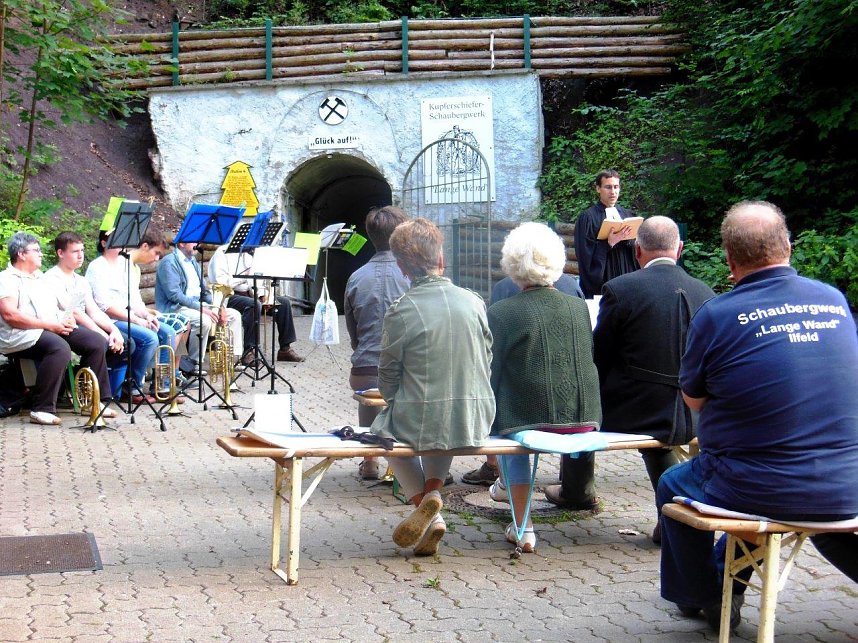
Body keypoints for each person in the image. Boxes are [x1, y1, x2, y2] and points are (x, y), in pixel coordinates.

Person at [656, 201, 858, 632]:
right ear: (788, 245)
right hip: (848, 482)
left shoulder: (717, 314)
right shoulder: (833, 300)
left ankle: (701, 596)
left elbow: (693, 402)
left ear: (729, 261)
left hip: (758, 484)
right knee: (819, 518)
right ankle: (726, 581)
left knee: (673, 484)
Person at [370, 218, 494, 556]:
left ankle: (423, 504)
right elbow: (487, 356)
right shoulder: (474, 301)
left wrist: (395, 400)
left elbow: (388, 373)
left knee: (381, 430)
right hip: (475, 416)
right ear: (440, 257)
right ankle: (434, 496)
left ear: (401, 267)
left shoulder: (402, 309)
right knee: (441, 419)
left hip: (426, 418)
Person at [592, 216, 714, 543]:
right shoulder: (706, 292)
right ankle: (675, 511)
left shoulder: (620, 289)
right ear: (680, 249)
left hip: (637, 408)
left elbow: (599, 354)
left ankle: (577, 490)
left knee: (583, 406)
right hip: (696, 411)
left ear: (637, 250)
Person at [487, 222, 601, 552]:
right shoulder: (578, 307)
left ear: (512, 265)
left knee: (509, 425)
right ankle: (506, 492)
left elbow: (490, 374)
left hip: (530, 422)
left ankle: (524, 527)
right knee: (516, 417)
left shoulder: (502, 312)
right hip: (584, 419)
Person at [461, 272, 585, 487]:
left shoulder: (503, 295)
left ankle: (502, 481)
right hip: (579, 414)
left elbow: (493, 362)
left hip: (522, 412)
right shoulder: (574, 293)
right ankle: (577, 487)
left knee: (508, 413)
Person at [0, 232, 115, 424]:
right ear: (21, 254)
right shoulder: (6, 279)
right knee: (59, 348)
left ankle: (94, 401)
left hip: (49, 327)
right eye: (36, 250)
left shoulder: (39, 277)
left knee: (96, 342)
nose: (41, 254)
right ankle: (41, 408)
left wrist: (65, 319)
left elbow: (62, 306)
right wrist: (50, 325)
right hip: (20, 335)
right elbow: (11, 316)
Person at [344, 206, 410, 480]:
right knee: (411, 382)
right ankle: (407, 463)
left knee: (368, 394)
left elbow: (354, 334)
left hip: (364, 371)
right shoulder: (411, 275)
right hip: (406, 371)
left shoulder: (356, 277)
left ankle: (369, 461)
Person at [85, 228, 182, 403]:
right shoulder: (97, 267)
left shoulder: (124, 264)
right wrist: (137, 320)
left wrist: (146, 315)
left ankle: (163, 387)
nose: (122, 245)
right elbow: (104, 306)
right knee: (149, 338)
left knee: (167, 333)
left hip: (129, 317)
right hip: (110, 320)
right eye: (116, 241)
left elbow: (134, 298)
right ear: (104, 243)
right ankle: (132, 388)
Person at [42, 231, 130, 410]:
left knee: (127, 344)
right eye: (75, 251)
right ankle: (100, 400)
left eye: (82, 250)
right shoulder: (51, 278)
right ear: (61, 253)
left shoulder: (80, 280)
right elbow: (75, 312)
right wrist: (104, 335)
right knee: (98, 342)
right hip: (61, 326)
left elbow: (94, 311)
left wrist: (114, 331)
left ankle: (80, 382)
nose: (81, 255)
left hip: (80, 326)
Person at [155, 240, 242, 376]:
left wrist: (218, 307)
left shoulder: (193, 261)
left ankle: (231, 360)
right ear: (182, 244)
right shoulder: (169, 262)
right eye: (193, 241)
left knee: (234, 315)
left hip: (196, 305)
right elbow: (174, 295)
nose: (198, 244)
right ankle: (194, 363)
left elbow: (204, 291)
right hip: (176, 307)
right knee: (203, 321)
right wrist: (201, 308)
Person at [207, 243, 304, 365]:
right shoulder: (222, 253)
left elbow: (256, 281)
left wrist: (262, 295)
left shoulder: (248, 255)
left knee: (283, 303)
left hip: (250, 294)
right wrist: (243, 277)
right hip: (228, 296)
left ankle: (285, 349)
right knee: (253, 305)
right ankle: (249, 351)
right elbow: (221, 282)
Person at [574, 169, 639, 298]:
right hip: (604, 279)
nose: (613, 192)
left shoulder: (627, 215)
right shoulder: (588, 218)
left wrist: (631, 240)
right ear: (598, 189)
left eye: (616, 187)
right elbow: (584, 254)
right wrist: (608, 244)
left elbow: (637, 252)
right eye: (608, 187)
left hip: (626, 275)